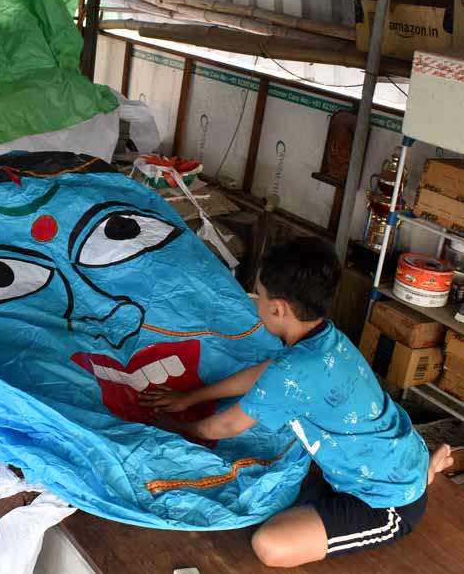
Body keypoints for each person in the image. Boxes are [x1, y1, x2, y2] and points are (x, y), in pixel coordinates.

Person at [139, 237, 454, 568]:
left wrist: (178, 427)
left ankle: (420, 480)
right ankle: (424, 469)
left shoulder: (297, 367)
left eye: (258, 295)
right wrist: (191, 396)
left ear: (278, 308)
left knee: (270, 545)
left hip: (386, 503)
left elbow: (227, 425)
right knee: (290, 499)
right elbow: (266, 375)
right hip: (390, 457)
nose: (255, 302)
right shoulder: (328, 338)